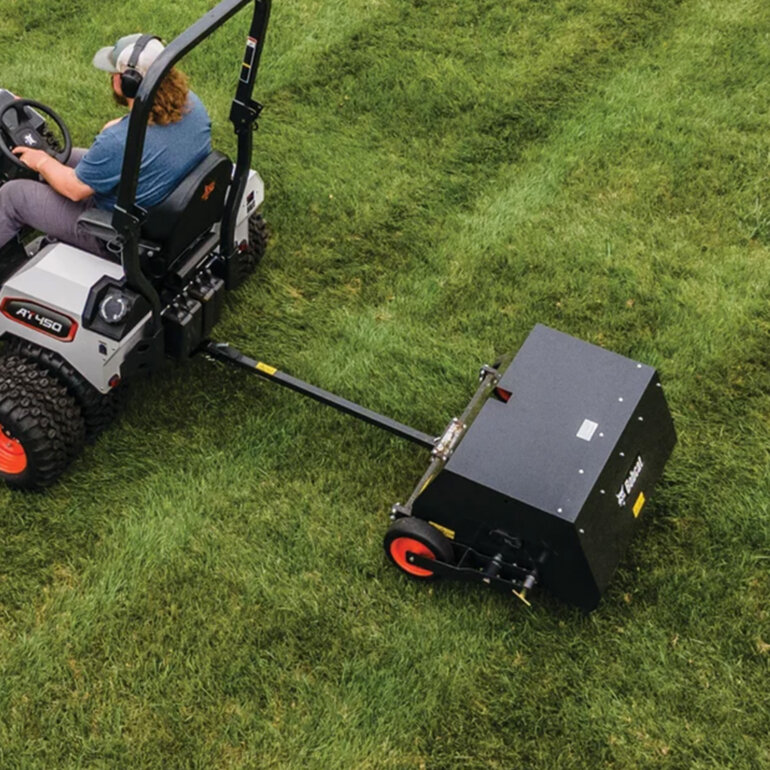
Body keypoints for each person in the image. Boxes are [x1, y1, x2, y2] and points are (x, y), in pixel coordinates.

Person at [0, 33, 212, 258]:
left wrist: (41, 162)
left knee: (13, 196)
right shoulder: (192, 104)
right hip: (160, 198)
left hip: (113, 233)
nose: (111, 77)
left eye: (114, 74)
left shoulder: (120, 140)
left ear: (129, 83)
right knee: (64, 157)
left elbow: (75, 190)